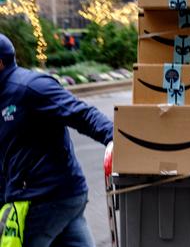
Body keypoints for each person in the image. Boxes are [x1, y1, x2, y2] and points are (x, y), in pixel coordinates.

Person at [0, 33, 113, 246]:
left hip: (43, 199)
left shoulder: (29, 87)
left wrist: (115, 138)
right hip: (64, 197)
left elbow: (80, 113)